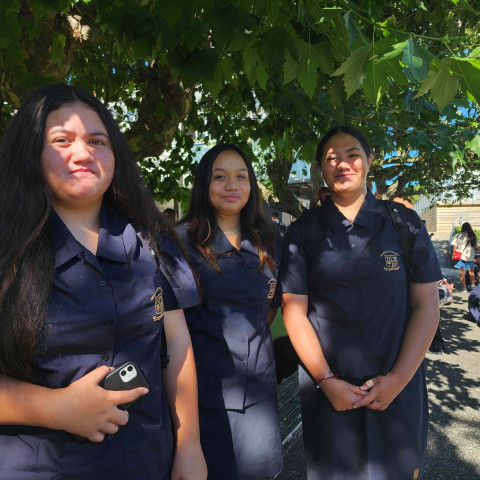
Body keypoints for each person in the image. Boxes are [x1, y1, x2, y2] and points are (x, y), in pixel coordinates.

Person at [0, 84, 207, 479]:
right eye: (62, 140)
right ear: (30, 153)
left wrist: (190, 446)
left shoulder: (154, 240)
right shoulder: (7, 248)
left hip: (147, 461)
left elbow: (177, 343)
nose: (83, 153)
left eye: (98, 140)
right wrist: (54, 408)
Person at [279, 126, 442, 480]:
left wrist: (399, 378)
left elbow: (427, 305)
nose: (343, 163)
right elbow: (293, 311)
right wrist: (325, 380)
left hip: (398, 387)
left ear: (369, 161)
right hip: (331, 392)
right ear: (321, 168)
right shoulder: (304, 231)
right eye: (331, 157)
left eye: (352, 154)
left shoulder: (404, 224)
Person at [176, 144, 283, 480]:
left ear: (252, 185)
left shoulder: (269, 239)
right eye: (219, 177)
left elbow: (271, 307)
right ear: (204, 185)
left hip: (258, 392)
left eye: (241, 176)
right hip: (204, 396)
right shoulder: (180, 241)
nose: (231, 185)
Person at [452, 222, 480, 291]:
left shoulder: (458, 235)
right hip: (470, 256)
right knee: (471, 272)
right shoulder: (472, 236)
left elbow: (455, 246)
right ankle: (473, 285)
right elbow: (478, 247)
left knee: (462, 273)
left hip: (460, 257)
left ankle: (464, 287)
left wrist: (453, 254)